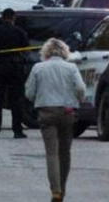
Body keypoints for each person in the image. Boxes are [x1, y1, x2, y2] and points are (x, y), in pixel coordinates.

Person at [25, 38, 87, 202]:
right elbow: (81, 88)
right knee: (65, 152)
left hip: (46, 112)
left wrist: (39, 98)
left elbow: (29, 93)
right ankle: (63, 188)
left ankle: (56, 191)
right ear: (64, 52)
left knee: (51, 153)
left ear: (45, 52)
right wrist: (78, 100)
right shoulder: (71, 67)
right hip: (67, 112)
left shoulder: (38, 68)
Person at [0, 8, 29, 139]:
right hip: (15, 68)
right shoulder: (19, 32)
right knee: (16, 100)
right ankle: (17, 130)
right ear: (13, 18)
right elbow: (25, 48)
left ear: (2, 17)